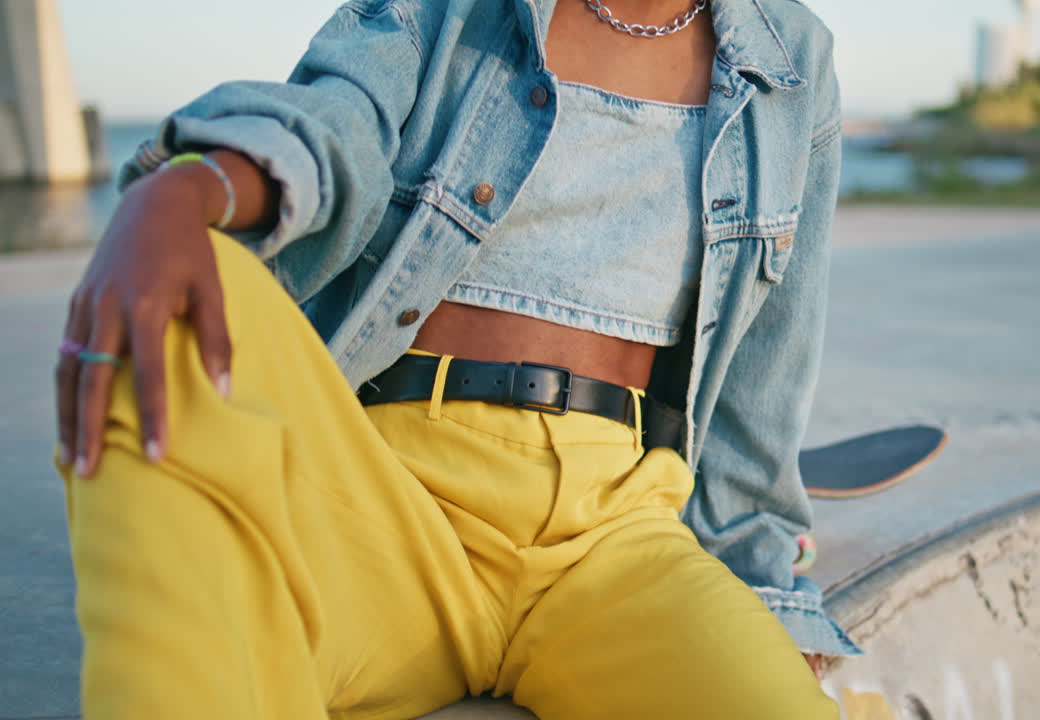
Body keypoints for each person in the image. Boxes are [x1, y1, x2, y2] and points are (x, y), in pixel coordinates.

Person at [53, 0, 858, 717]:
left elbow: (765, 369)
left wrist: (773, 591)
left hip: (615, 540)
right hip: (386, 508)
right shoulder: (446, 9)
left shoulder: (791, 59)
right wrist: (184, 192)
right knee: (185, 288)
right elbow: (336, 127)